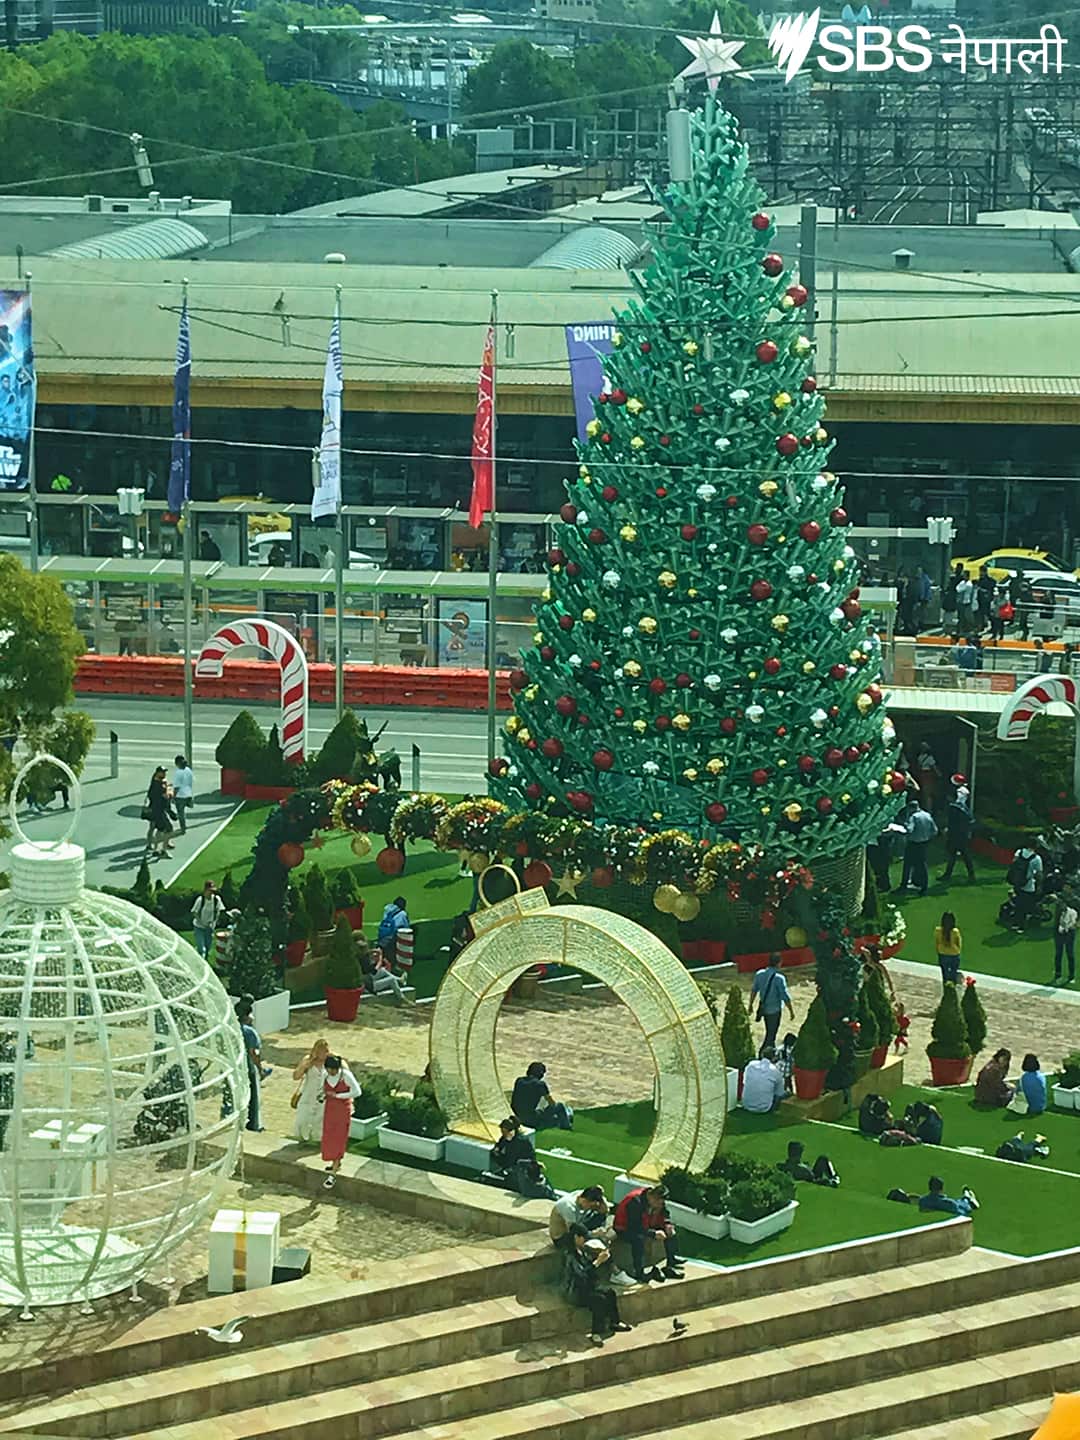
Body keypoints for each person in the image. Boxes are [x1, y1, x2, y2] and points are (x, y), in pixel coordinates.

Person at [562, 1223, 632, 1346]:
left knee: (610, 1293)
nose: (585, 1240)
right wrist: (597, 1262)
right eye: (583, 1237)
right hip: (575, 1291)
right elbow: (581, 1275)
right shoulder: (570, 1256)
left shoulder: (582, 1250)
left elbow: (589, 1270)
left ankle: (614, 1322)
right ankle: (596, 1333)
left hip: (587, 1286)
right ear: (576, 1237)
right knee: (598, 1300)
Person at [612, 1184, 683, 1284]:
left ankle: (671, 1260)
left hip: (644, 1224)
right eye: (658, 1202)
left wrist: (667, 1224)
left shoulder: (656, 1201)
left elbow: (665, 1213)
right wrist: (653, 1233)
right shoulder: (635, 1201)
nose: (660, 1205)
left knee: (669, 1231)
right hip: (624, 1228)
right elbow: (634, 1226)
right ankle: (639, 1272)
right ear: (652, 1197)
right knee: (638, 1239)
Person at [483, 1116, 556, 1199]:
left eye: (505, 1131)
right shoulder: (505, 1139)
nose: (504, 1134)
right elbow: (499, 1146)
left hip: (522, 1168)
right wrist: (497, 1151)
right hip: (510, 1165)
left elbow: (529, 1158)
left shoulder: (522, 1141)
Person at [321, 1053, 361, 1188]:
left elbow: (357, 1091)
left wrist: (338, 1096)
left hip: (342, 1110)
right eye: (329, 1069)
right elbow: (323, 1089)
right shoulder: (325, 1075)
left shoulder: (346, 1076)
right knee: (329, 1136)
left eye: (334, 1069)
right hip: (330, 1109)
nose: (331, 1072)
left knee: (339, 1137)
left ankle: (333, 1172)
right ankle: (334, 1162)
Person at [750, 954, 795, 1053]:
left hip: (764, 1009)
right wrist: (791, 1011)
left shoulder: (759, 974)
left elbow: (754, 990)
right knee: (771, 1034)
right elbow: (785, 996)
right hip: (774, 1010)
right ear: (779, 963)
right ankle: (764, 1053)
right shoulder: (779, 978)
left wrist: (750, 1005)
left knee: (769, 1031)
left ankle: (769, 1051)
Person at [511, 1061, 573, 1130]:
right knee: (560, 1106)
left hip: (517, 1116)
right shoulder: (540, 1084)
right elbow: (552, 1103)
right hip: (531, 1119)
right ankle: (566, 1126)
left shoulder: (519, 1081)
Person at [236, 999, 268, 1133]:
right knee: (252, 1098)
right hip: (247, 1069)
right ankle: (253, 1125)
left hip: (233, 1069)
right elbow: (254, 1053)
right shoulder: (249, 1032)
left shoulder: (231, 1028)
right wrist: (260, 1069)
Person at [292, 1037, 330, 1143]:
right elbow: (296, 1076)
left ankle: (317, 1142)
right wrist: (306, 1065)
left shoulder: (329, 1062)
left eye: (325, 1051)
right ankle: (301, 1140)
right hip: (308, 1095)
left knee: (319, 1122)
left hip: (323, 1098)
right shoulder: (308, 1060)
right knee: (302, 1119)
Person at [901, 801, 937, 896]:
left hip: (913, 844)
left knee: (907, 864)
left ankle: (903, 885)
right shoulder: (927, 815)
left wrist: (905, 825)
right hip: (924, 844)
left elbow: (910, 829)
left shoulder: (913, 817)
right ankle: (924, 886)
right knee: (922, 865)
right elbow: (934, 831)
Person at [741, 1045, 786, 1114]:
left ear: (762, 1055)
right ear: (774, 1058)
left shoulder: (751, 1065)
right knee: (783, 1094)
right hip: (764, 1108)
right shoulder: (775, 1071)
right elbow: (779, 1093)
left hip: (746, 1105)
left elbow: (744, 1082)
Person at [144, 765, 176, 860]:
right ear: (158, 772)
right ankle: (163, 850)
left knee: (158, 829)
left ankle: (155, 848)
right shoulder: (159, 784)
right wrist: (170, 793)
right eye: (163, 772)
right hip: (159, 810)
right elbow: (166, 796)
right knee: (169, 829)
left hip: (155, 809)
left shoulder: (156, 781)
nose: (164, 773)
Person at [1010, 843, 1044, 926]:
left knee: (1018, 904)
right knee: (1025, 906)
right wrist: (1039, 886)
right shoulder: (1036, 858)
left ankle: (1015, 923)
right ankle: (1021, 925)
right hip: (1028, 885)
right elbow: (1039, 874)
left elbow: (1013, 863)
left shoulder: (1019, 852)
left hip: (1017, 882)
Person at [191, 881, 225, 961]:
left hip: (209, 928)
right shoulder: (200, 900)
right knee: (201, 949)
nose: (211, 893)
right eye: (210, 891)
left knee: (207, 948)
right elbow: (194, 912)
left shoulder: (216, 900)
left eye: (213, 891)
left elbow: (218, 911)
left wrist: (213, 922)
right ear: (205, 890)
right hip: (199, 927)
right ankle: (200, 962)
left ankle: (204, 963)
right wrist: (202, 923)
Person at [1053, 891, 1078, 983]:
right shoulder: (1058, 911)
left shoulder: (1072, 912)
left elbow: (1072, 923)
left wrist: (1064, 928)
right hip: (1059, 933)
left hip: (1069, 933)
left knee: (1070, 954)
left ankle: (1071, 976)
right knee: (1058, 954)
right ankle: (1057, 974)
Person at [377, 896, 410, 967]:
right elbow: (406, 928)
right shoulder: (402, 914)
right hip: (392, 939)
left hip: (382, 937)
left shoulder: (387, 911)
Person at [934, 911, 963, 986]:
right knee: (953, 972)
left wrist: (938, 950)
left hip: (942, 953)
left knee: (945, 973)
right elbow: (959, 943)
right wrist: (958, 951)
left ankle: (946, 985)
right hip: (954, 954)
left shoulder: (938, 930)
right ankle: (952, 986)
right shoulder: (955, 931)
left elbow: (937, 942)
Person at [171, 755, 194, 834]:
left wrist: (173, 796)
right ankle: (184, 827)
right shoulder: (188, 770)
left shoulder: (178, 773)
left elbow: (177, 787)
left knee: (181, 813)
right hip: (188, 793)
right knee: (183, 812)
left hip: (180, 795)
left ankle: (183, 828)